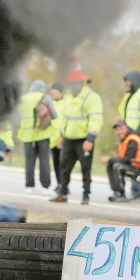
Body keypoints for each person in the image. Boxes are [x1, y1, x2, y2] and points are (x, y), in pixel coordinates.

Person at [51, 58, 103, 205]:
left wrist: (90, 139)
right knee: (64, 167)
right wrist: (62, 135)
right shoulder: (67, 95)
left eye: (73, 82)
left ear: (80, 83)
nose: (71, 85)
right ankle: (63, 193)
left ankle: (86, 195)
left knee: (85, 169)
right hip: (68, 138)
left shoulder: (91, 97)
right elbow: (64, 118)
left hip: (84, 139)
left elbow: (96, 119)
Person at [17, 79, 57, 193]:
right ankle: (45, 186)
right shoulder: (45, 97)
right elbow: (54, 114)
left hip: (27, 135)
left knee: (29, 161)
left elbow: (18, 115)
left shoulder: (24, 99)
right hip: (42, 134)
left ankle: (29, 186)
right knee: (44, 161)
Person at [102, 119, 140, 202]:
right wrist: (110, 161)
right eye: (117, 130)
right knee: (111, 164)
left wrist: (109, 159)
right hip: (135, 166)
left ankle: (121, 194)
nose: (119, 132)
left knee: (117, 166)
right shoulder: (124, 141)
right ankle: (117, 192)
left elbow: (127, 160)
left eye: (121, 129)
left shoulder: (132, 140)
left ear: (127, 129)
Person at [48, 81, 66, 190]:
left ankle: (64, 184)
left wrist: (63, 137)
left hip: (63, 138)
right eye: (52, 90)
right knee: (55, 163)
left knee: (64, 163)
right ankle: (59, 183)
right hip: (52, 138)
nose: (53, 92)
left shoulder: (66, 103)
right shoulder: (50, 104)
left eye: (55, 90)